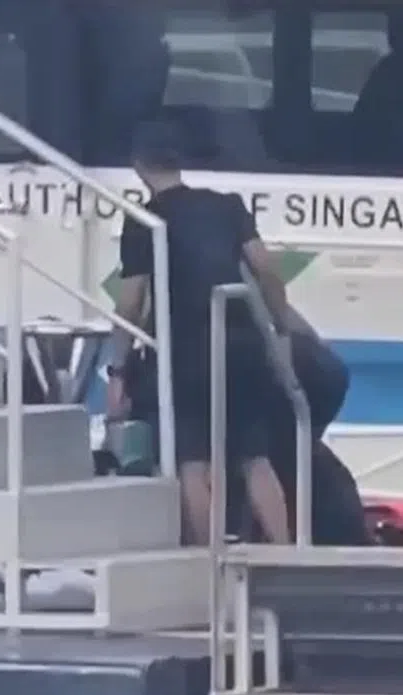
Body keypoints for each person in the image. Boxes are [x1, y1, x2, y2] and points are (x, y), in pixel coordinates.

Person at [104, 121, 293, 546]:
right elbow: (266, 268)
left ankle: (211, 563)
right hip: (242, 340)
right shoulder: (227, 206)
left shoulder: (144, 220)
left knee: (193, 462)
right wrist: (279, 326)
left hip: (185, 350)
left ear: (138, 166)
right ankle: (286, 554)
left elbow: (131, 301)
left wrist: (118, 369)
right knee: (254, 458)